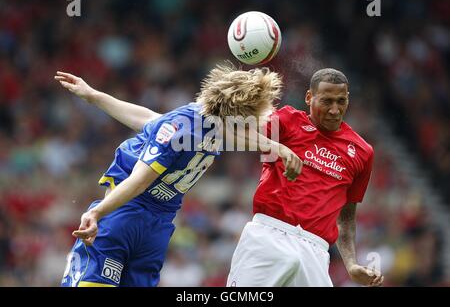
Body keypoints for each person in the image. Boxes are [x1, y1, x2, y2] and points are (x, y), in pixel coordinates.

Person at [54, 64, 301, 287]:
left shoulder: (190, 124)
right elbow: (150, 120)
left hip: (123, 218)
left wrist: (97, 212)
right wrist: (94, 96)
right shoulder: (208, 129)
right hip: (156, 231)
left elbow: (140, 179)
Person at [226, 68, 384, 287]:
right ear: (309, 97)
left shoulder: (362, 151)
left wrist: (350, 264)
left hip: (316, 251)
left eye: (341, 101)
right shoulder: (288, 120)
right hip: (268, 237)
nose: (334, 110)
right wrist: (277, 148)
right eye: (327, 101)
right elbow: (233, 131)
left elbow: (346, 218)